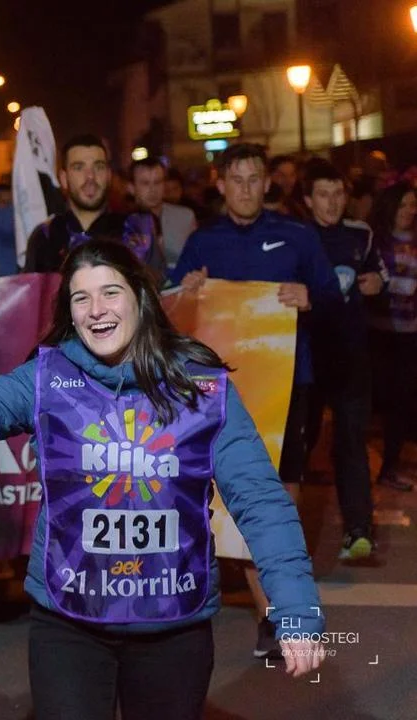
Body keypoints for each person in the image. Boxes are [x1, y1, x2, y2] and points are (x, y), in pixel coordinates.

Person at [0, 238, 325, 719]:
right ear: (70, 311)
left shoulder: (201, 387)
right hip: (69, 625)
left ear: (141, 296)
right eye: (81, 298)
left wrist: (296, 608)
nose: (96, 310)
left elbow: (261, 501)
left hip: (173, 625)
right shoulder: (47, 378)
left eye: (110, 292)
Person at [172, 142, 342, 658]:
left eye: (254, 179)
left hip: (289, 387)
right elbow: (169, 311)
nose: (246, 189)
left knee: (281, 495)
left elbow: (334, 300)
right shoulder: (202, 242)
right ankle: (271, 613)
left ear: (267, 183)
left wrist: (310, 299)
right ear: (221, 184)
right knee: (234, 493)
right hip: (221, 393)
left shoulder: (297, 235)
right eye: (236, 179)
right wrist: (186, 290)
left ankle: (282, 605)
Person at [302, 161, 386, 557]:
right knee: (300, 446)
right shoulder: (296, 236)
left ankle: (358, 530)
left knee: (351, 441)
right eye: (323, 194)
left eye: (338, 194)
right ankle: (284, 537)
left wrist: (378, 283)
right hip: (306, 358)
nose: (332, 202)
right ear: (308, 199)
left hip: (351, 356)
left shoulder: (360, 234)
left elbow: (379, 273)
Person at [24, 135, 164, 281]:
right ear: (64, 179)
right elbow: (29, 292)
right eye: (79, 167)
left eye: (99, 167)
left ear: (109, 175)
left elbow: (156, 289)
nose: (90, 176)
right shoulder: (46, 237)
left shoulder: (137, 232)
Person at [367, 182, 417, 492]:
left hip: (409, 332)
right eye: (403, 205)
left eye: (413, 205)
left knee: (402, 400)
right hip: (377, 331)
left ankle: (390, 467)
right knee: (376, 399)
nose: (410, 211)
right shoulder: (376, 240)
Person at [130, 157, 197, 270]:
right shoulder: (123, 222)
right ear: (131, 187)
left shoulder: (185, 217)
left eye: (158, 182)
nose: (152, 190)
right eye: (145, 183)